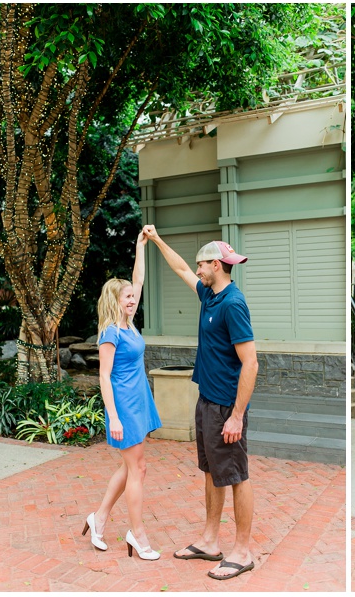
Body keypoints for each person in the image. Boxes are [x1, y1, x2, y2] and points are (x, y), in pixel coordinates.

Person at [142, 225, 259, 581]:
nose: (196, 270)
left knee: (237, 475)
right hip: (207, 400)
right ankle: (210, 541)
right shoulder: (210, 295)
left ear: (218, 265)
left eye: (201, 265)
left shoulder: (233, 304)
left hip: (227, 406)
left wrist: (237, 416)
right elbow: (178, 268)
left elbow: (251, 363)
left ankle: (243, 551)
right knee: (212, 471)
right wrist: (159, 239)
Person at [82, 230, 162, 561]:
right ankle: (137, 534)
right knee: (138, 467)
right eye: (126, 297)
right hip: (124, 406)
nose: (132, 299)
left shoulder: (128, 323)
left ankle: (98, 518)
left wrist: (140, 247)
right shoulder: (111, 332)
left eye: (132, 296)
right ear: (114, 301)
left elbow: (139, 280)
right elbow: (103, 375)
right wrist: (113, 416)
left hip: (139, 399)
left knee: (132, 467)